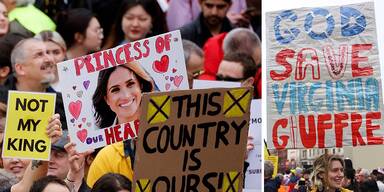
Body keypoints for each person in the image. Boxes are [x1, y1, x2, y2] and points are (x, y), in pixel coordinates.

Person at [87, 62, 154, 188]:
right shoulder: (95, 149)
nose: (126, 96)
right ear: (107, 99)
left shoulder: (171, 131)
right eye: (115, 90)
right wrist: (75, 173)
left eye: (130, 84)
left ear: (141, 86)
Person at [0, 38, 67, 130]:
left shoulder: (64, 103)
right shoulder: (2, 102)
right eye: (39, 54)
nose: (50, 59)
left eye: (47, 53)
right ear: (20, 68)